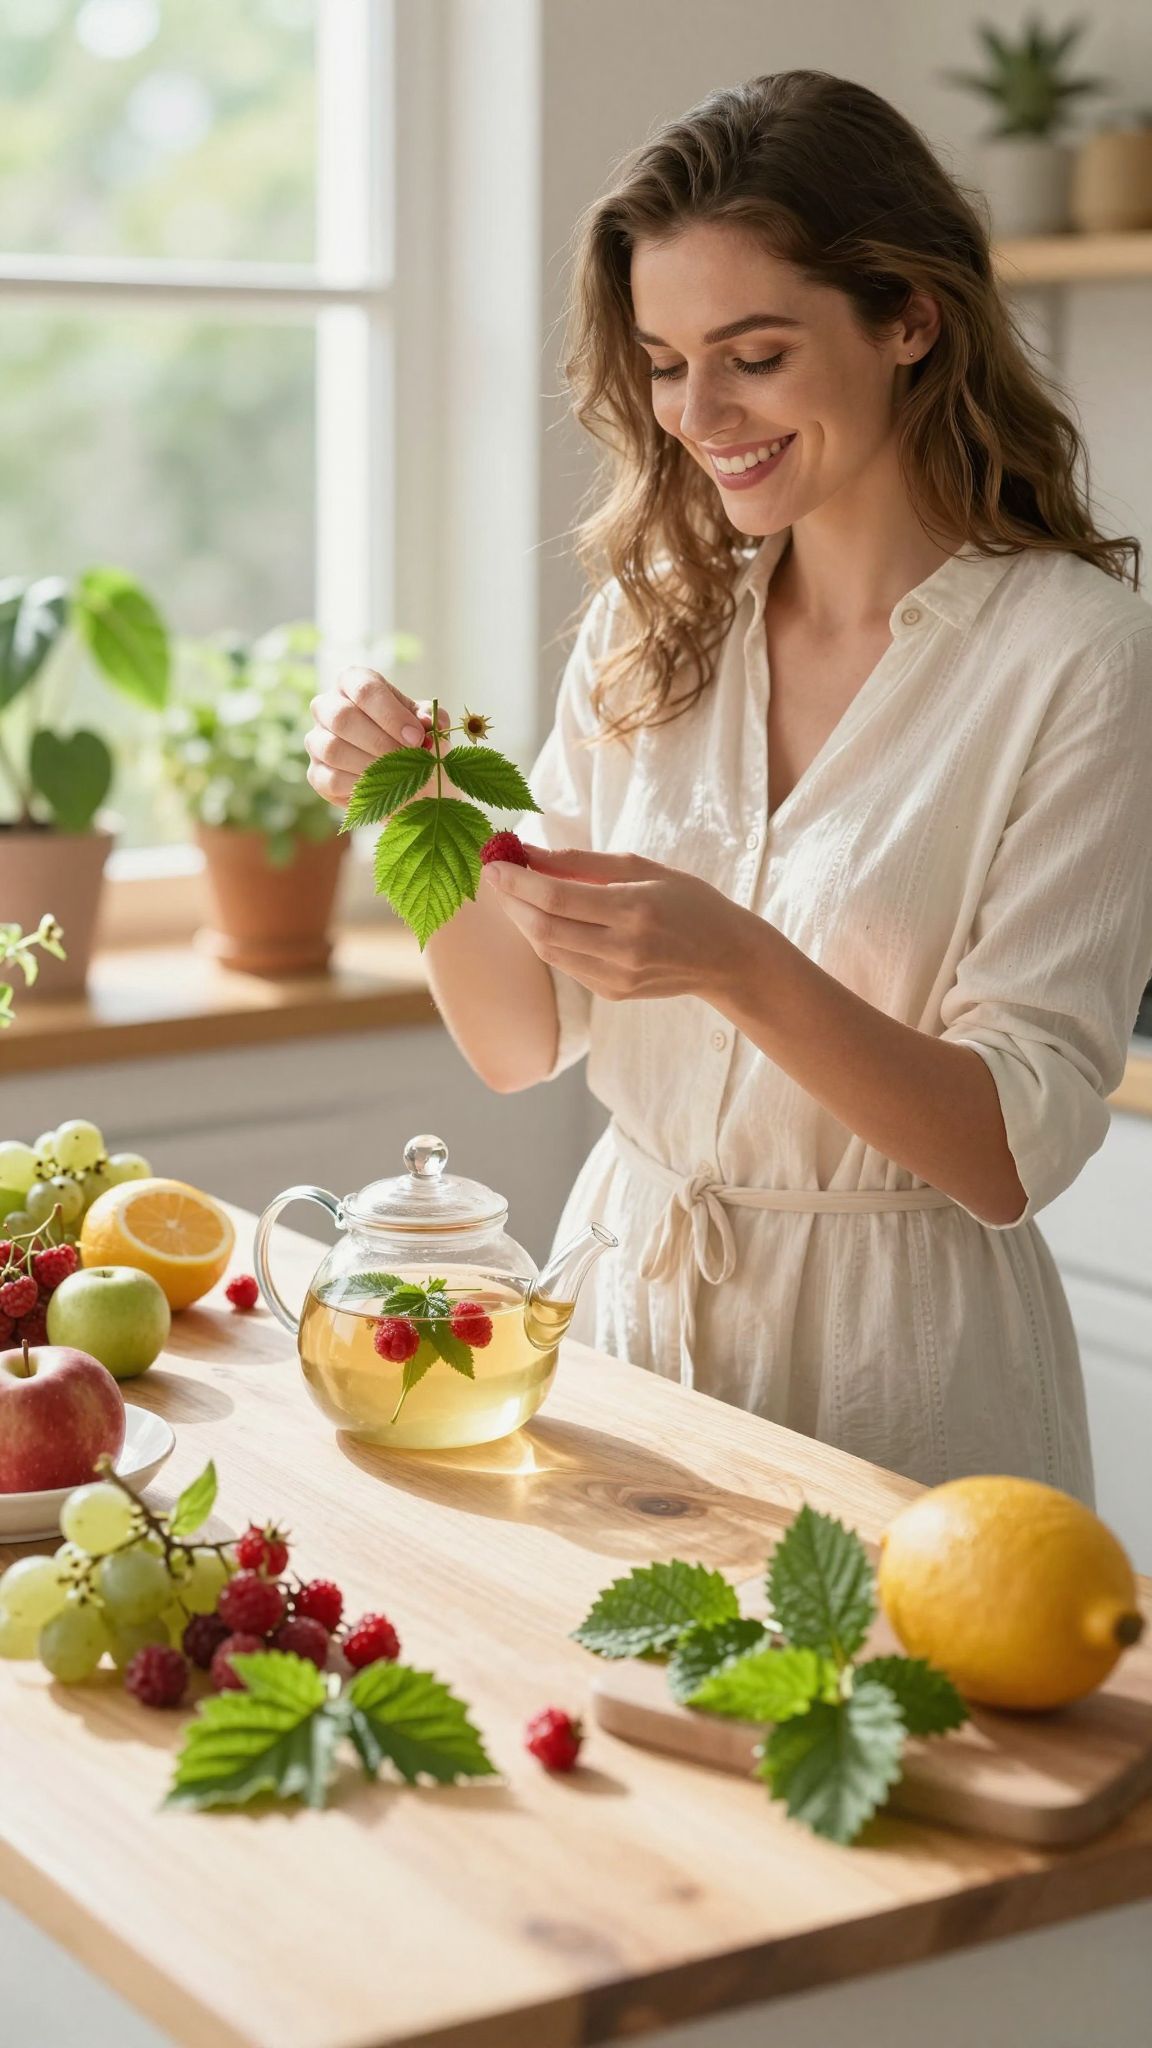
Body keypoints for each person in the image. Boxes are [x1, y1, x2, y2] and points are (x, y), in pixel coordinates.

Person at [305, 70, 1152, 1501]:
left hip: (905, 1370)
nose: (698, 413)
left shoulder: (1077, 656)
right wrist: (418, 816)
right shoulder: (656, 616)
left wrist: (735, 962)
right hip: (624, 1329)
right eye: (662, 361)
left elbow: (1012, 1151)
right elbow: (519, 1037)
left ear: (909, 318)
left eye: (753, 355)